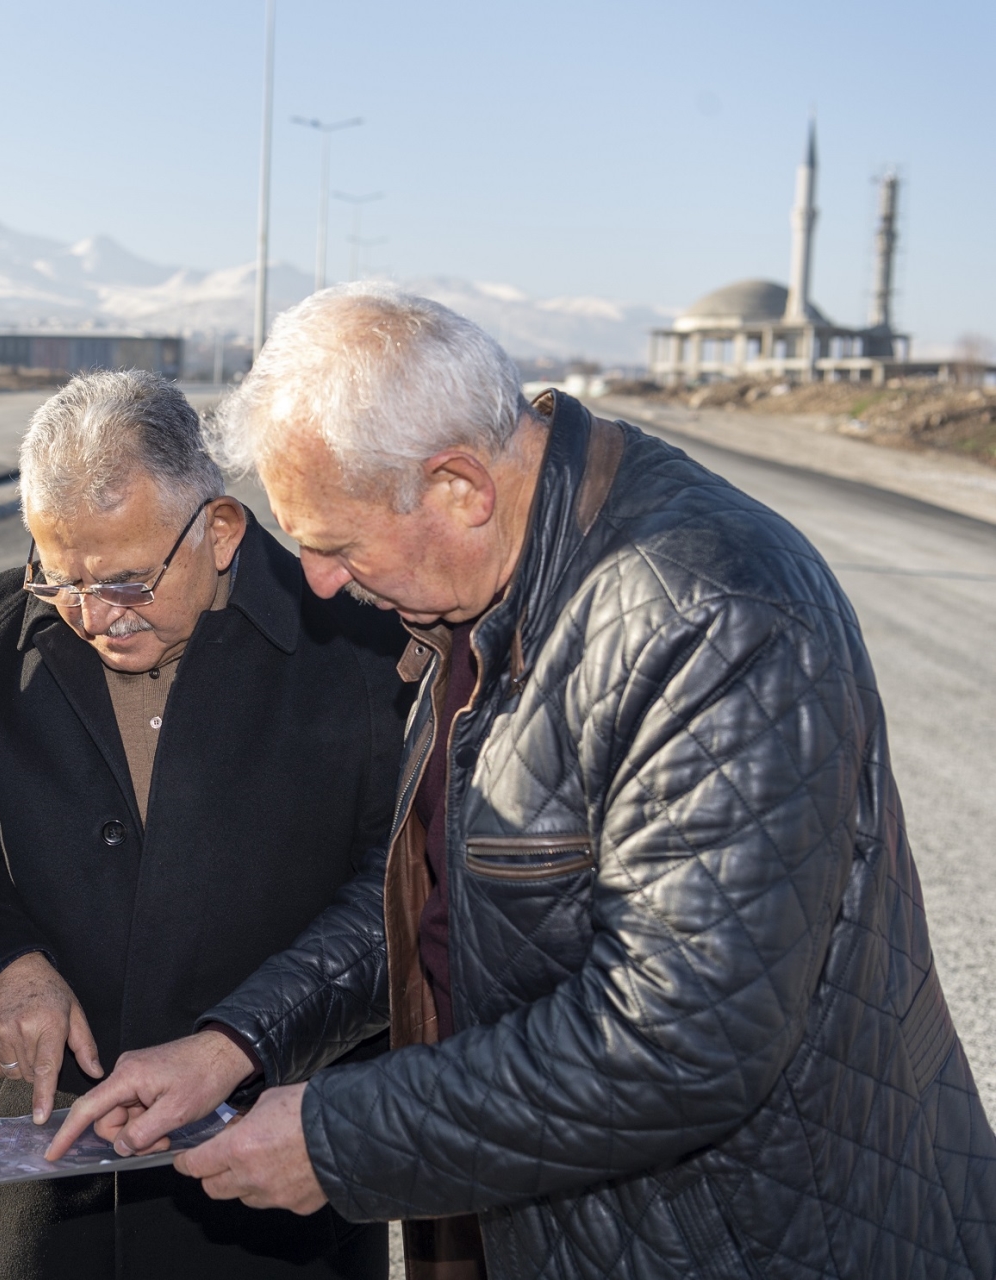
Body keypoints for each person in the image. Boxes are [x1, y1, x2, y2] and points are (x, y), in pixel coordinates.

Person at [58, 285, 996, 1278]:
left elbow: (681, 1038)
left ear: (460, 486)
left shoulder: (706, 611)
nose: (322, 582)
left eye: (334, 544)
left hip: (753, 1235)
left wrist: (339, 1136)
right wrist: (236, 1043)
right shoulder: (485, 601)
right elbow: (443, 897)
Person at [0, 370, 406, 1279]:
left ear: (221, 531)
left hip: (272, 1169)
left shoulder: (360, 646)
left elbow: (403, 892)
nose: (92, 616)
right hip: (40, 1174)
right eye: (59, 576)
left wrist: (245, 1045)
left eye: (125, 580)